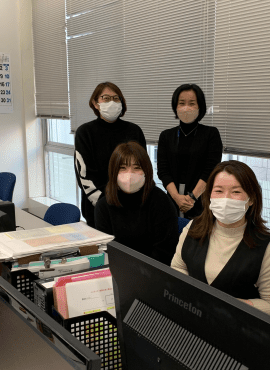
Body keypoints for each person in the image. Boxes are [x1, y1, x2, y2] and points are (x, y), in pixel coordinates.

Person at [171, 160, 270, 319]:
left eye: (236, 192)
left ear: (251, 199)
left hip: (236, 327)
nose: (226, 199)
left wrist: (227, 306)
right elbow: (178, 268)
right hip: (191, 317)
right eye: (218, 191)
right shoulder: (193, 227)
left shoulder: (267, 248)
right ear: (209, 195)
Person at [74, 82, 146, 228]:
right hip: (98, 210)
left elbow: (143, 169)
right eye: (106, 98)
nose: (111, 102)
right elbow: (85, 177)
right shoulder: (85, 133)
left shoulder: (134, 131)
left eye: (116, 98)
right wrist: (107, 205)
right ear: (95, 103)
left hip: (133, 208)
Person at [95, 142, 178, 265]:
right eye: (122, 168)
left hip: (153, 270)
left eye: (137, 168)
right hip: (117, 268)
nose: (129, 174)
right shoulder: (103, 205)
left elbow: (164, 252)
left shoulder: (161, 202)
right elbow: (105, 250)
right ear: (113, 171)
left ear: (146, 171)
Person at [157, 84, 223, 219]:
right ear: (175, 106)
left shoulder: (211, 134)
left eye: (192, 103)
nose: (186, 107)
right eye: (182, 103)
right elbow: (163, 171)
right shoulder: (166, 136)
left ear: (200, 107)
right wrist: (176, 197)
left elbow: (211, 170)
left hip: (201, 202)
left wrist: (192, 198)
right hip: (172, 201)